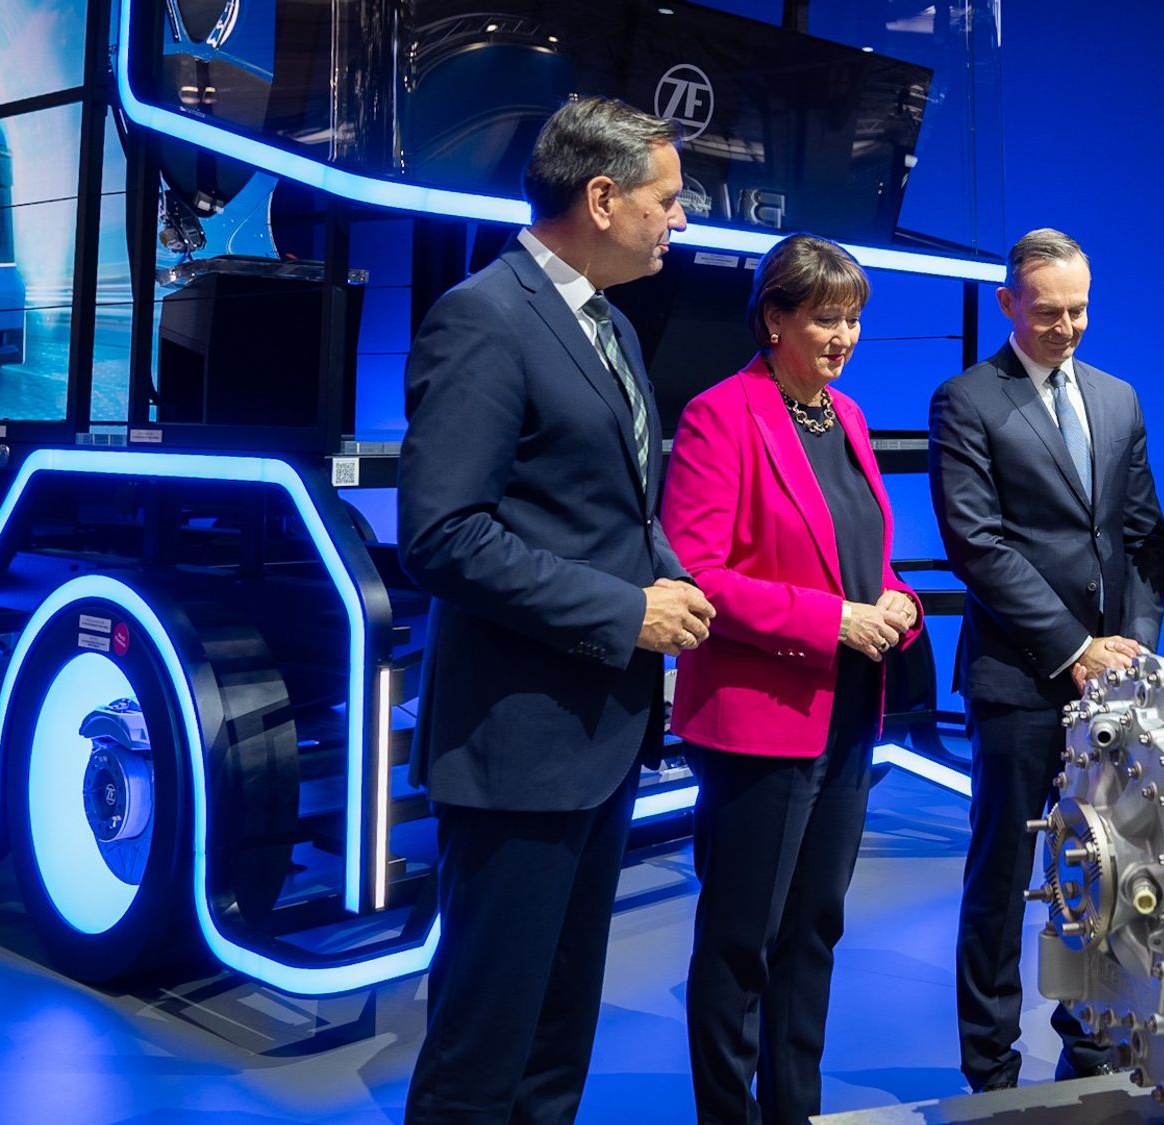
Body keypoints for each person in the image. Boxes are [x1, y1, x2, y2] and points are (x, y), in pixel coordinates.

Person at [397, 96, 716, 1124]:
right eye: (667, 200)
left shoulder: (610, 321)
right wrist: (626, 611)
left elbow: (613, 501)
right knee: (480, 1056)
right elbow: (444, 536)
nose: (678, 219)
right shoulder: (482, 317)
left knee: (553, 1044)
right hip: (518, 747)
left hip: (600, 740)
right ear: (601, 196)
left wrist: (668, 578)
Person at [662, 234, 923, 1125]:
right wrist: (833, 620)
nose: (842, 336)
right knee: (742, 946)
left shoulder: (842, 417)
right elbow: (698, 574)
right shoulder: (719, 415)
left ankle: (794, 1113)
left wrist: (893, 601)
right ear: (774, 318)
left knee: (813, 934)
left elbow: (862, 554)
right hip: (759, 720)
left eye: (853, 319)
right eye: (824, 318)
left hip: (847, 714)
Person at [928, 228, 1164, 1092]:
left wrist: (1130, 647)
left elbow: (1141, 533)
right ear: (1007, 304)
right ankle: (990, 1063)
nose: (1067, 326)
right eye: (1048, 312)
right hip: (1019, 678)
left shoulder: (1117, 396)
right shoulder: (967, 400)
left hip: (1112, 685)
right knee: (1001, 875)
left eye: (1080, 310)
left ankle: (1094, 1026)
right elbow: (977, 544)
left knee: (1106, 866)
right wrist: (1072, 648)